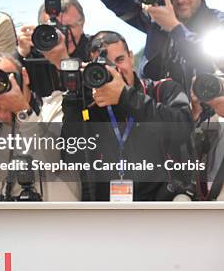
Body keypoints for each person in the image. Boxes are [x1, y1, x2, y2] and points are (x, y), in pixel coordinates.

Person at [61, 31, 194, 201]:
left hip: (161, 205)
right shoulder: (90, 106)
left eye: (120, 60)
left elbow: (182, 129)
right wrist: (75, 101)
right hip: (108, 212)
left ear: (131, 57)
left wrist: (126, 97)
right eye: (107, 64)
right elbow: (71, 156)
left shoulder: (163, 90)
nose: (116, 69)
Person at [98, 0, 224, 91]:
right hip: (158, 109)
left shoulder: (218, 22)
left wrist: (175, 28)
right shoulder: (156, 20)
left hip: (205, 109)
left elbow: (210, 63)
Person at [0, 53, 81, 201]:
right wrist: (6, 127)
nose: (2, 84)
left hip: (60, 215)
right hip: (16, 218)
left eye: (7, 77)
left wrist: (23, 112)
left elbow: (52, 161)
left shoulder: (57, 104)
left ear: (24, 75)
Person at [16, 0, 92, 98]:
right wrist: (20, 54)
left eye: (70, 27)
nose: (63, 35)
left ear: (82, 24)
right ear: (41, 28)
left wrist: (64, 63)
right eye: (56, 28)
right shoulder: (33, 53)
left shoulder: (95, 49)